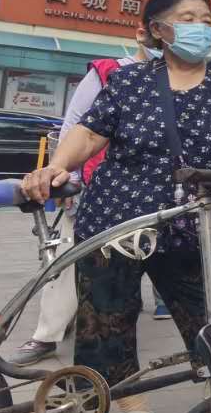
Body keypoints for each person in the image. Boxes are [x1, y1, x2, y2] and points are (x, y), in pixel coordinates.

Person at [22, 0, 211, 413]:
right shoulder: (129, 81)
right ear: (159, 29)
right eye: (188, 19)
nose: (201, 28)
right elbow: (90, 133)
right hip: (118, 222)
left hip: (192, 223)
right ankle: (131, 411)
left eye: (206, 20)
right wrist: (58, 166)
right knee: (108, 319)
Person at [10, 26, 160, 364]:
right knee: (69, 256)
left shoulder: (177, 79)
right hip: (97, 186)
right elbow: (75, 125)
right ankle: (47, 335)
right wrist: (70, 176)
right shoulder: (107, 72)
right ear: (143, 33)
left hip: (149, 190)